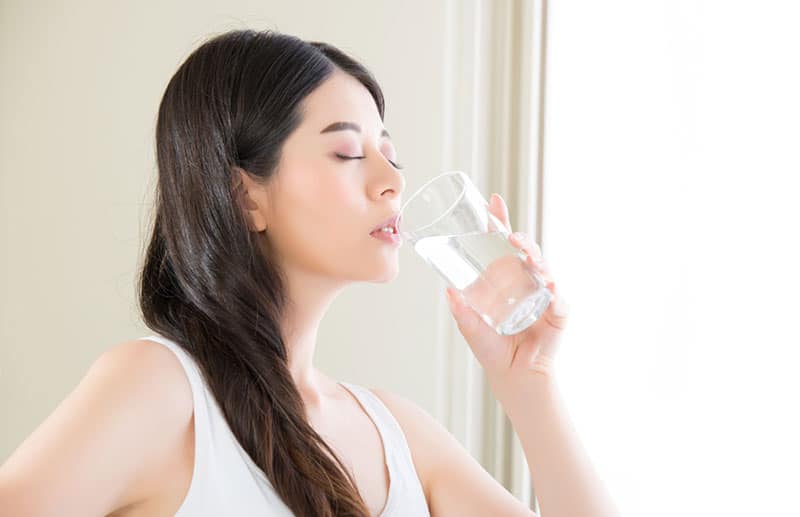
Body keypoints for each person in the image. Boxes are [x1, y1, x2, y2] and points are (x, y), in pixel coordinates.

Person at [0, 29, 618, 516]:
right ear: (246, 197)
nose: (393, 181)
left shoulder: (398, 434)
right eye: (349, 152)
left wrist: (529, 383)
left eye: (391, 154)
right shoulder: (160, 391)